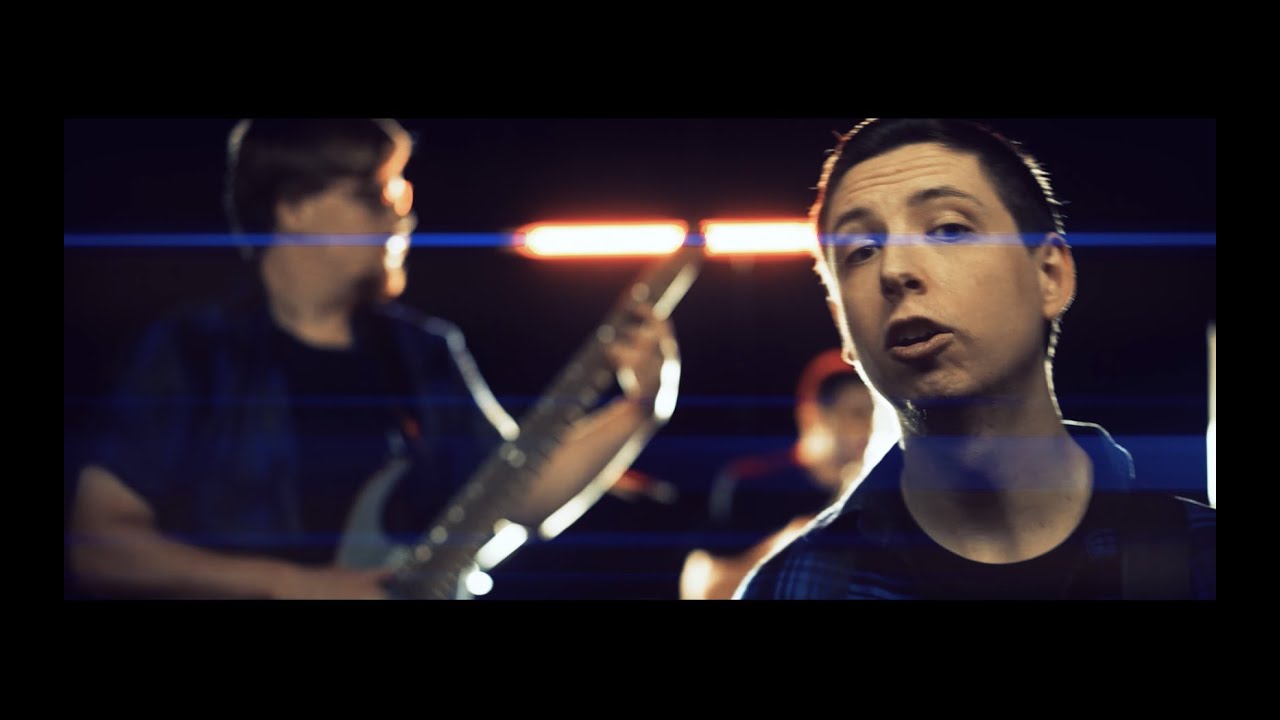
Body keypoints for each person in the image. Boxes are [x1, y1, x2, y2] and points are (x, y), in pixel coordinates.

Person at [66, 119, 680, 599]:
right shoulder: (192, 354)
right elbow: (98, 547)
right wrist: (296, 586)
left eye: (402, 191)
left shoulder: (423, 352)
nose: (401, 213)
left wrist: (642, 409)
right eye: (375, 193)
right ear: (294, 207)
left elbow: (516, 495)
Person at [739, 118, 1216, 600]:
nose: (895, 270)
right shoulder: (791, 587)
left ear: (1049, 275)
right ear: (841, 323)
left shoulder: (1201, 561)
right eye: (862, 250)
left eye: (949, 229)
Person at [679, 349, 877, 599]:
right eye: (857, 412)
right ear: (814, 415)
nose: (869, 426)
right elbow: (705, 590)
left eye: (874, 413)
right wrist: (784, 547)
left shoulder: (877, 490)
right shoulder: (752, 481)